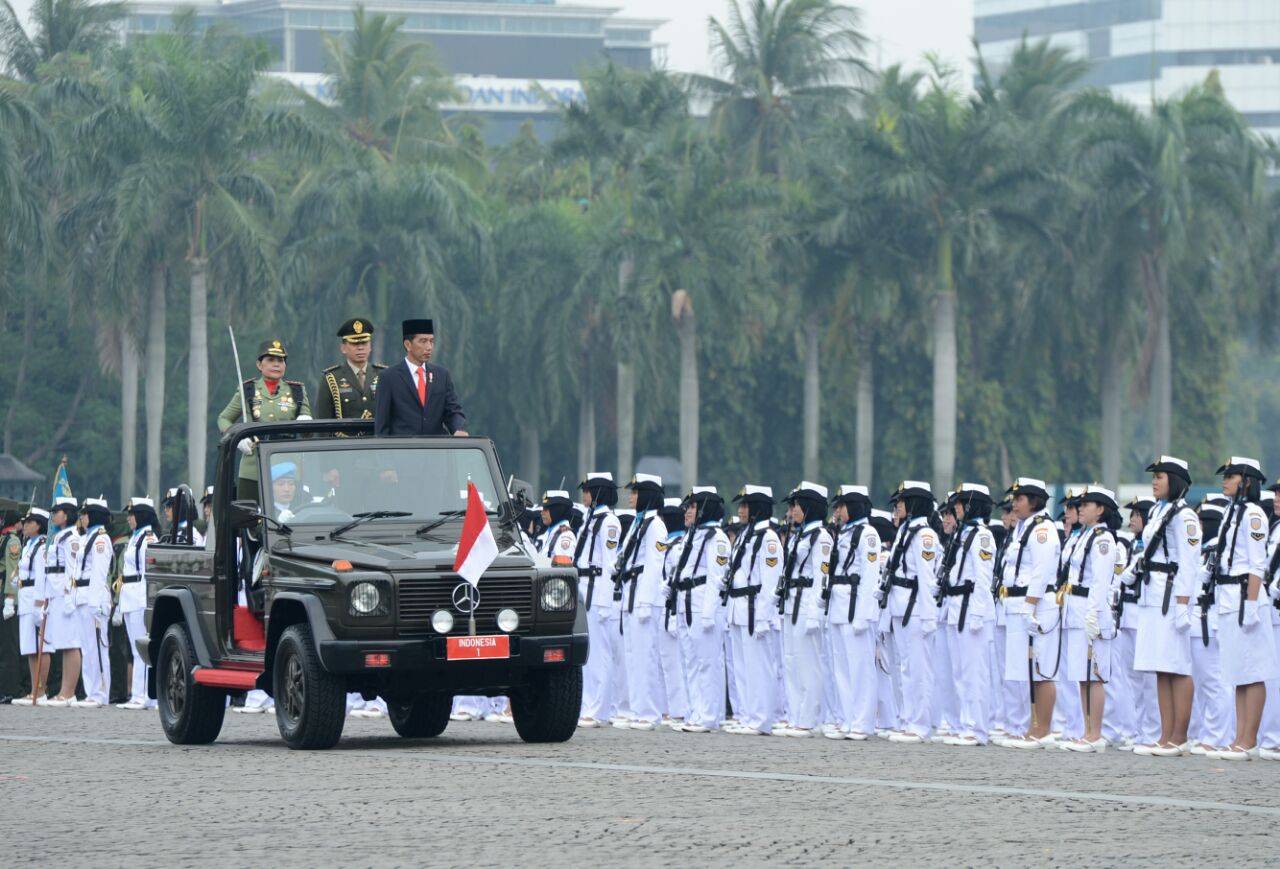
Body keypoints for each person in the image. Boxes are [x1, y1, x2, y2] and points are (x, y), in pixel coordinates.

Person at [1209, 457, 1279, 760]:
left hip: (1244, 597)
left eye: (1231, 476)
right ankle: (1239, 737)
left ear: (1246, 482)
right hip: (1228, 597)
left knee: (1253, 670)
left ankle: (1249, 740)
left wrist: (1251, 604)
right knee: (1238, 672)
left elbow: (1256, 564)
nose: (1225, 481)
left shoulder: (1253, 514)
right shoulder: (1231, 511)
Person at [1133, 456, 1199, 757]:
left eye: (1160, 476)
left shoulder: (1185, 516)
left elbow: (1189, 562)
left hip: (1172, 596)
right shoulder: (1159, 511)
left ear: (1174, 480)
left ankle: (1179, 736)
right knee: (1161, 667)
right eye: (1154, 476)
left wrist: (1184, 602)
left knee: (1178, 666)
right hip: (1153, 593)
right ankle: (1164, 734)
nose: (1154, 481)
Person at [999, 478, 1061, 750]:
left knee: (1041, 668)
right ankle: (1027, 727)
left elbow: (1041, 571)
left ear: (1034, 501)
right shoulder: (1023, 527)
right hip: (1018, 603)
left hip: (1037, 604)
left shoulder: (1043, 529)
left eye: (1020, 499)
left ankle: (1043, 729)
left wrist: (1029, 605)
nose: (1015, 504)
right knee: (1021, 669)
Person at [1059, 485, 1120, 753]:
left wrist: (1093, 614)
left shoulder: (1103, 539)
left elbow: (1100, 581)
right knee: (1081, 676)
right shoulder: (1085, 535)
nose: (1080, 508)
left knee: (1094, 675)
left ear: (1101, 509)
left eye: (1086, 504)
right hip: (1076, 608)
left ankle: (1095, 734)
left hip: (1091, 610)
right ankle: (1087, 731)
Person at [722, 485, 783, 736]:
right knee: (742, 667)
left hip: (754, 608)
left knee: (759, 667)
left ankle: (761, 719)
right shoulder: (746, 534)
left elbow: (770, 582)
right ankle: (747, 715)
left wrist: (763, 618)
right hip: (738, 607)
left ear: (757, 508)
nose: (740, 510)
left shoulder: (768, 538)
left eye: (745, 505)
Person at [218, 339, 312, 501]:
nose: (276, 364)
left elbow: (307, 425)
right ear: (259, 365)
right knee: (249, 512)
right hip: (254, 464)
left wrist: (305, 421)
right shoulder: (248, 389)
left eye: (280, 360)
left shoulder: (296, 390)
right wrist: (236, 437)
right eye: (270, 360)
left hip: (287, 465)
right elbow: (224, 418)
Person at [940, 484, 997, 747]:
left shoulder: (982, 536)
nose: (956, 508)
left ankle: (977, 728)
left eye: (961, 503)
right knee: (960, 672)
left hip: (972, 608)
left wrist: (978, 613)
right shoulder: (963, 534)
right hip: (956, 607)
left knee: (975, 673)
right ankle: (964, 724)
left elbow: (983, 578)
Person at [883, 481, 940, 744]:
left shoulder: (924, 535)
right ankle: (907, 719)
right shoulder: (906, 531)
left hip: (916, 609)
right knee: (905, 668)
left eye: (902, 501)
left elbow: (927, 580)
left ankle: (920, 724)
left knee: (919, 670)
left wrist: (929, 617)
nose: (898, 506)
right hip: (900, 605)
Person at [775, 482, 833, 738]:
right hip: (792, 600)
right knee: (791, 661)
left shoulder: (821, 537)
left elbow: (823, 576)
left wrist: (816, 611)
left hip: (807, 601)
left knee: (809, 662)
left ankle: (809, 718)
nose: (793, 511)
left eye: (797, 505)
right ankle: (795, 715)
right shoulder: (800, 534)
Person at [825, 485, 881, 741]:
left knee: (860, 668)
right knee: (842, 668)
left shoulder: (868, 534)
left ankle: (862, 722)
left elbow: (870, 576)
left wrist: (864, 614)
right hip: (839, 605)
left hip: (855, 606)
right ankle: (847, 718)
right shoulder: (844, 532)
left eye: (842, 506)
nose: (837, 511)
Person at [672, 486, 730, 733]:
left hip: (702, 602)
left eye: (693, 507)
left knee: (707, 663)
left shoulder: (717, 538)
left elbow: (717, 578)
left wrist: (709, 612)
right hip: (686, 600)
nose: (687, 511)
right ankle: (695, 712)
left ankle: (708, 715)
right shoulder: (693, 535)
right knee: (690, 661)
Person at [613, 474, 666, 731]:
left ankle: (649, 713)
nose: (631, 497)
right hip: (631, 592)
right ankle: (637, 710)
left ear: (647, 495)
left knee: (646, 656)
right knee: (632, 656)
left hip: (645, 595)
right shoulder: (638, 523)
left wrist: (645, 601)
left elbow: (655, 565)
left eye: (636, 492)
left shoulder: (655, 525)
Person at [1185, 494, 1234, 755]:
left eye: (1202, 523)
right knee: (1202, 683)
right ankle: (1207, 732)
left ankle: (1217, 736)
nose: (1198, 528)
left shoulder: (1216, 551)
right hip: (1197, 620)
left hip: (1210, 621)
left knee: (1215, 682)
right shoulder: (1203, 550)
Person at [574, 472, 623, 729]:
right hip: (584, 587)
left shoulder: (609, 522)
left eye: (588, 490)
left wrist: (605, 602)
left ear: (599, 493)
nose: (584, 495)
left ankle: (599, 709)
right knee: (587, 654)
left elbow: (610, 564)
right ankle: (587, 705)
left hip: (598, 590)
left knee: (600, 654)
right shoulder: (590, 518)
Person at [373, 319, 467, 437]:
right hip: (403, 446)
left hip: (436, 445)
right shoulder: (389, 377)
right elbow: (382, 424)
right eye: (423, 341)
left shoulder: (442, 375)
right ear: (408, 345)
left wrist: (458, 428)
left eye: (431, 341)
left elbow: (452, 410)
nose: (429, 347)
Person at [116, 498, 160, 710]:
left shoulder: (148, 538)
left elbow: (147, 573)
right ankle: (139, 694)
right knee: (136, 648)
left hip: (139, 597)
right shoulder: (136, 537)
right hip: (129, 595)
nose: (129, 518)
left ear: (142, 516)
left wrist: (145, 601)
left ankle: (143, 695)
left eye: (132, 515)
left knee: (142, 648)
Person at [69, 498, 112, 708]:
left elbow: (99, 573)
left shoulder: (101, 539)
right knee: (87, 648)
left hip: (93, 598)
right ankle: (91, 692)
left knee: (97, 647)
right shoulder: (87, 538)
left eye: (85, 514)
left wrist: (95, 604)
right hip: (82, 596)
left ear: (93, 515)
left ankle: (100, 693)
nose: (82, 518)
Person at [41, 499, 80, 706]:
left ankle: (69, 692)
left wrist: (68, 597)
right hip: (55, 593)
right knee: (63, 644)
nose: (53, 515)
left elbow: (72, 570)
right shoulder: (59, 536)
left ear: (66, 515)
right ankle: (64, 691)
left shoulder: (72, 538)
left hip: (65, 595)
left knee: (70, 643)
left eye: (56, 512)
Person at [656, 497, 691, 728]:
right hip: (666, 608)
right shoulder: (670, 544)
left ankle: (679, 710)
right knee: (667, 662)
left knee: (677, 663)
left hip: (676, 609)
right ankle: (671, 708)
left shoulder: (679, 546)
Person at [10, 508, 49, 705]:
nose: (24, 525)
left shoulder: (41, 547)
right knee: (29, 647)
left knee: (42, 647)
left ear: (39, 525)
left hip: (35, 596)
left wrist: (39, 604)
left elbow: (41, 576)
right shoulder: (28, 545)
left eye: (29, 522)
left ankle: (41, 691)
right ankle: (34, 689)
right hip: (25, 596)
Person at [316, 318, 386, 421]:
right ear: (343, 348)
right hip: (345, 432)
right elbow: (323, 421)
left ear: (370, 346)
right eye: (355, 344)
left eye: (364, 343)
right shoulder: (331, 379)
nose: (360, 348)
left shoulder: (384, 375)